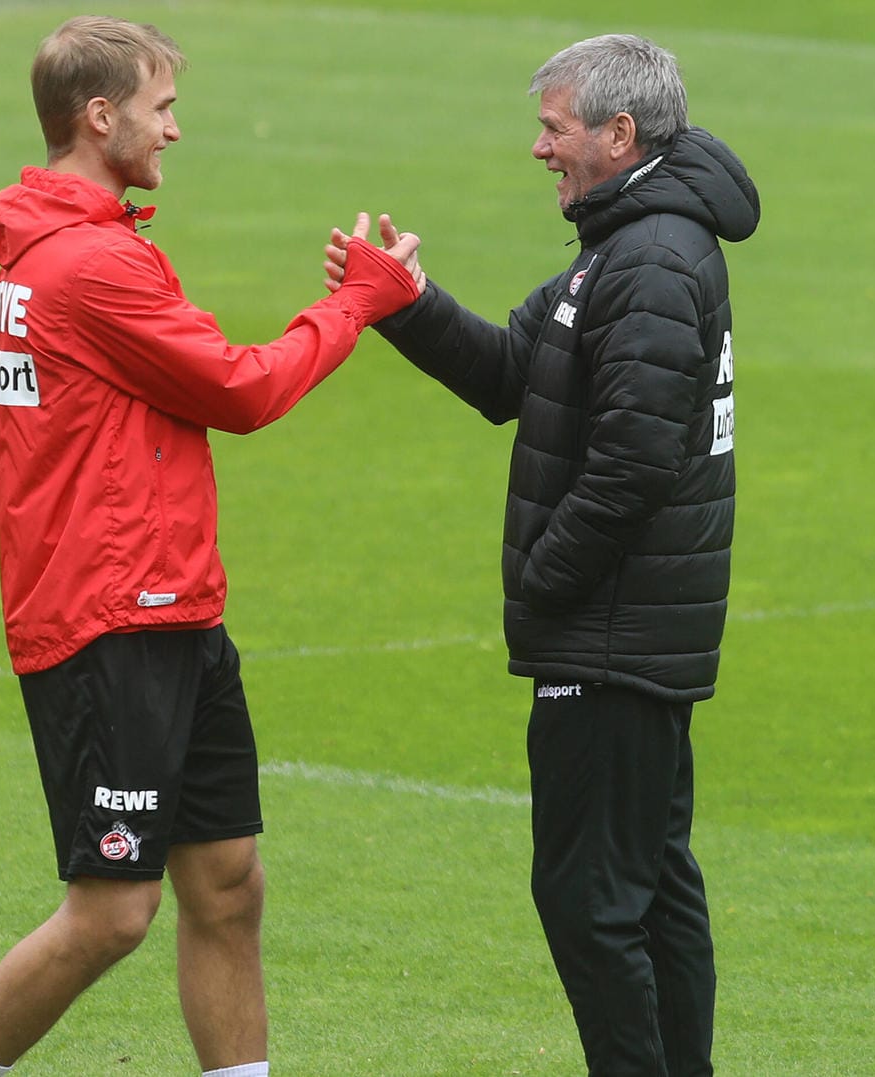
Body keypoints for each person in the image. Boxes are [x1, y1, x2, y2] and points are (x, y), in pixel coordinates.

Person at [0, 16, 422, 1077]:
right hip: (109, 616)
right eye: (162, 107)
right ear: (99, 117)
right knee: (112, 914)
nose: (176, 129)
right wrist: (357, 304)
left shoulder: (65, 245)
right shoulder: (91, 265)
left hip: (172, 605)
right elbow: (241, 391)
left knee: (228, 884)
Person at [328, 33, 759, 1077]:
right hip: (627, 629)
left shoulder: (650, 259)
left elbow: (632, 465)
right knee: (648, 884)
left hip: (612, 633)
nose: (538, 148)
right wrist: (407, 305)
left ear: (619, 134)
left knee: (592, 898)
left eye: (553, 127)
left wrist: (544, 580)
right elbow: (513, 371)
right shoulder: (626, 243)